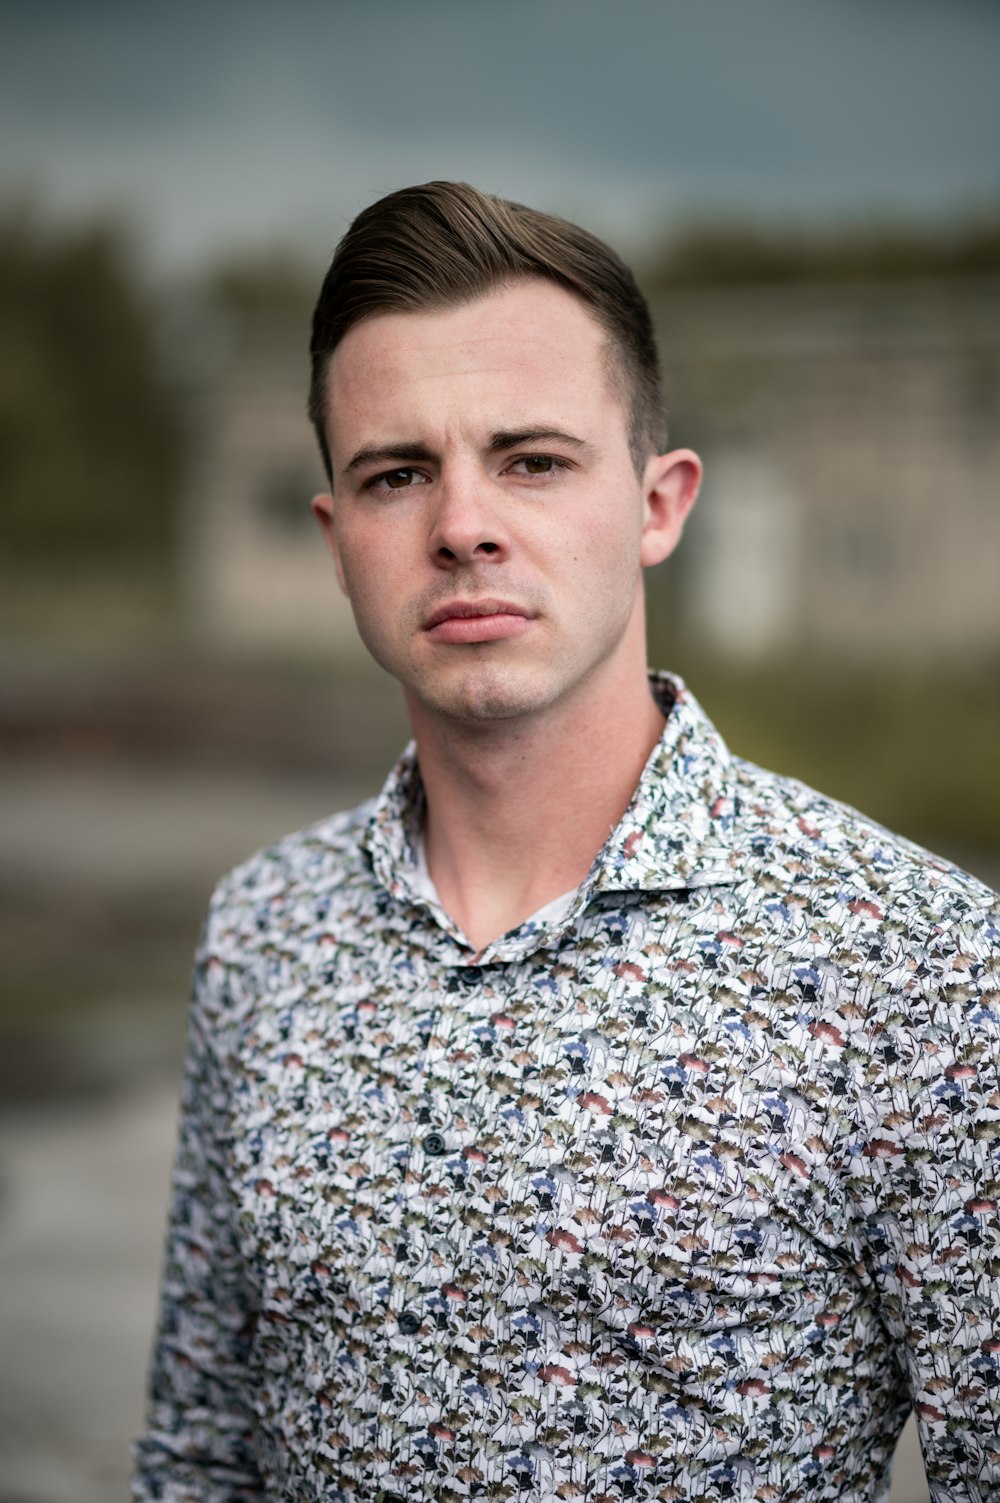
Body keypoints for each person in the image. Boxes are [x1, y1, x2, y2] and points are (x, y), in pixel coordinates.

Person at [133, 182, 1000, 1503]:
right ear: (336, 539)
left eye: (532, 460)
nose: (462, 525)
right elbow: (200, 1454)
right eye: (397, 473)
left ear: (660, 506)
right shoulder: (264, 928)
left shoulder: (912, 961)